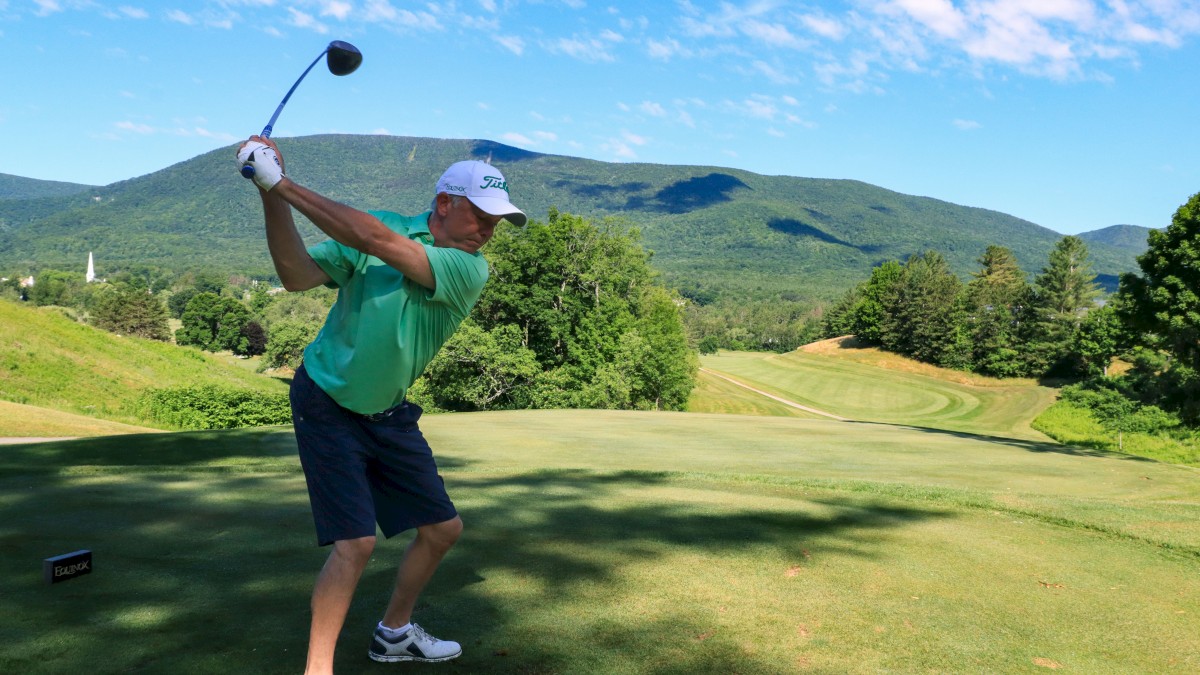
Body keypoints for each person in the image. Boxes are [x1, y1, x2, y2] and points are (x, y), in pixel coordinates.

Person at [236, 136, 526, 673]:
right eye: (481, 215)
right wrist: (269, 193)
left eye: (498, 220)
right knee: (356, 541)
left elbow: (373, 238)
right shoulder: (384, 224)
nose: (490, 230)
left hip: (386, 410)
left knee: (442, 529)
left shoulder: (469, 269)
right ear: (444, 203)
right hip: (324, 397)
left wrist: (282, 182)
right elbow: (296, 275)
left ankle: (394, 633)